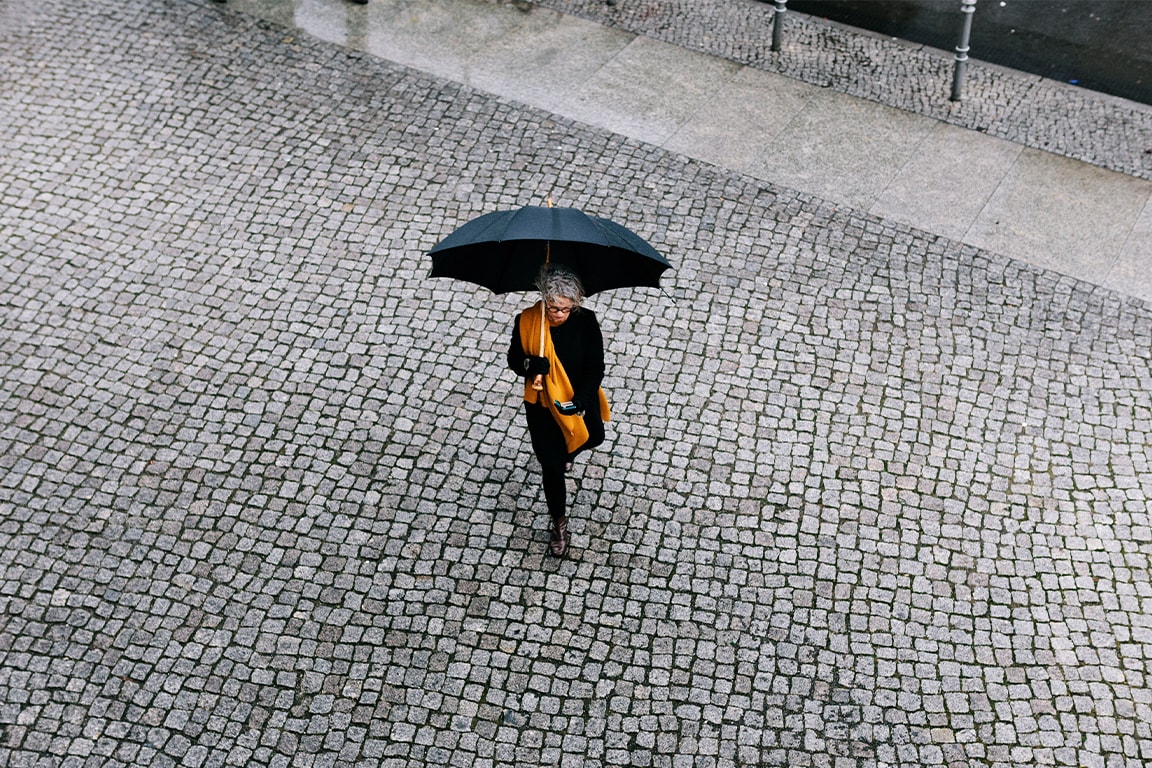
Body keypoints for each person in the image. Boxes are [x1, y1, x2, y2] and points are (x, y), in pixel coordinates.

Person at [508, 265, 610, 557]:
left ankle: (568, 456)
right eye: (553, 307)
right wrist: (530, 365)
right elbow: (514, 359)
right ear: (544, 300)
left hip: (578, 397)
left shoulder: (586, 322)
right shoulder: (528, 321)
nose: (558, 314)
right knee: (551, 467)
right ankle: (559, 523)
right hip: (542, 406)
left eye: (565, 309)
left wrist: (581, 399)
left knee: (594, 437)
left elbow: (596, 367)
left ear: (575, 305)